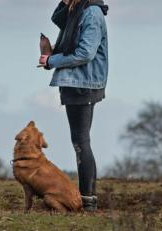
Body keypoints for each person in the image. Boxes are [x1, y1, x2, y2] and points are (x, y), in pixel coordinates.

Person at [39, 0, 109, 212]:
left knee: (81, 142)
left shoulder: (92, 13)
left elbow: (85, 53)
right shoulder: (76, 10)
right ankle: (88, 199)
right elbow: (57, 19)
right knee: (80, 141)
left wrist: (52, 61)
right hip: (75, 82)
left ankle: (87, 201)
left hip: (84, 84)